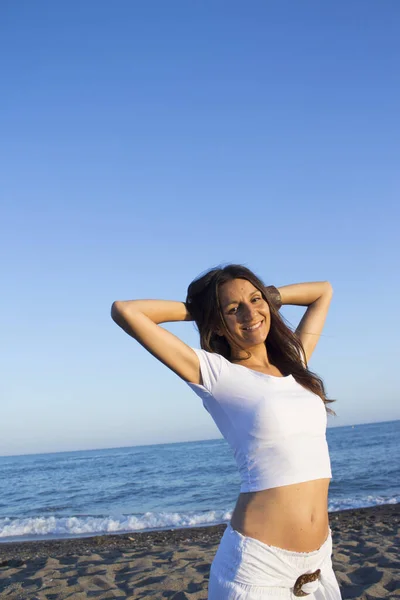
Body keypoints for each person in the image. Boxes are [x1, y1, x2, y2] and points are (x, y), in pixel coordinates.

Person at [111, 264, 342, 599]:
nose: (250, 313)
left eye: (255, 300)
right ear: (218, 324)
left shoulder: (295, 363)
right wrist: (204, 310)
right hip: (259, 569)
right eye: (234, 310)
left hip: (318, 564)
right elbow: (126, 311)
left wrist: (267, 297)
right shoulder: (217, 373)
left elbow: (323, 291)